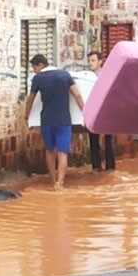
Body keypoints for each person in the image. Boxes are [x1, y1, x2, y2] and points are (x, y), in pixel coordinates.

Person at [24, 54, 84, 190]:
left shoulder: (38, 78)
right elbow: (77, 95)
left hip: (47, 121)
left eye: (34, 68)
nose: (35, 71)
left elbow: (30, 99)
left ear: (39, 65)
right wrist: (85, 112)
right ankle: (60, 183)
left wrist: (26, 116)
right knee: (63, 152)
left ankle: (52, 181)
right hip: (64, 120)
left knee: (50, 151)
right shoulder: (65, 75)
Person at [87, 51, 115, 172]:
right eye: (89, 61)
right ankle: (96, 167)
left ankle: (110, 167)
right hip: (93, 112)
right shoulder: (87, 77)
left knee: (108, 139)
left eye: (93, 61)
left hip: (108, 111)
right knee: (93, 138)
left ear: (100, 62)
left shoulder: (107, 75)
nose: (90, 63)